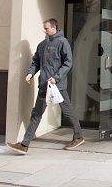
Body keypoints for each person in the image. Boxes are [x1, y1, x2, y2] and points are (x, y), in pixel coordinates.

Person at [7, 19, 84, 154]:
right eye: (44, 28)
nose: (45, 30)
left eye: (47, 28)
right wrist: (30, 74)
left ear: (54, 28)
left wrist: (56, 77)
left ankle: (78, 136)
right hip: (44, 85)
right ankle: (24, 145)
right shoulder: (42, 45)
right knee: (36, 115)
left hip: (57, 86)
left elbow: (68, 62)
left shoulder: (62, 42)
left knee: (68, 111)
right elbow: (36, 61)